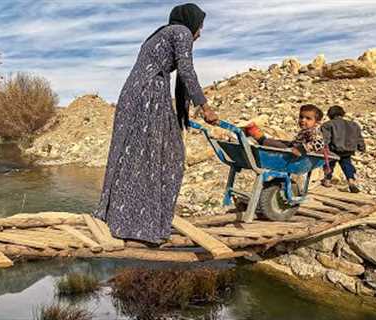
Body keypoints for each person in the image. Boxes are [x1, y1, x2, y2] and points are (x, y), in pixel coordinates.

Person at [94, 3, 218, 244]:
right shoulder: (181, 32)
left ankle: (128, 220)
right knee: (164, 157)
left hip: (136, 93)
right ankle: (144, 225)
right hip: (148, 96)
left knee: (135, 157)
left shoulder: (161, 34)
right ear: (190, 22)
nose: (199, 33)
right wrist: (204, 106)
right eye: (200, 27)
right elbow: (186, 70)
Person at [244, 104, 325, 156]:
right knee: (279, 141)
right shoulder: (306, 130)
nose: (303, 120)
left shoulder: (314, 131)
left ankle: (260, 139)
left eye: (308, 118)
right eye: (301, 117)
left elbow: (319, 143)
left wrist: (302, 149)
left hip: (296, 152)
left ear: (317, 123)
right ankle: (262, 139)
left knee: (279, 146)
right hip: (293, 147)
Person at [321, 105, 365, 193]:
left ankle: (327, 180)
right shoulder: (354, 125)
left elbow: (326, 139)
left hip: (333, 150)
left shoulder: (327, 125)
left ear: (330, 115)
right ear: (342, 114)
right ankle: (351, 181)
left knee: (329, 164)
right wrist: (362, 147)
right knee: (347, 165)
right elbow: (359, 138)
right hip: (348, 151)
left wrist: (322, 149)